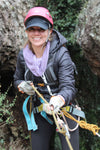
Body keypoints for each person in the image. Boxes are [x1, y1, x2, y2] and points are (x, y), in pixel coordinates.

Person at [14, 6, 79, 150]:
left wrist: (59, 99)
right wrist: (22, 85)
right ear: (26, 31)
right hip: (41, 111)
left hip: (65, 110)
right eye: (32, 29)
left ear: (49, 31)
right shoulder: (22, 56)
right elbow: (17, 79)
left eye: (41, 29)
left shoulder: (61, 54)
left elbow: (69, 87)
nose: (36, 33)